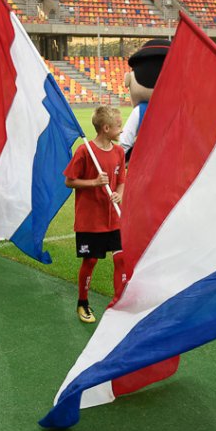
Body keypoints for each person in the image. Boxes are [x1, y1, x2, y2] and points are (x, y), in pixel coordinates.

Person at [63, 105, 126, 323]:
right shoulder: (85, 151)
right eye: (118, 126)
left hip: (114, 218)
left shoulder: (119, 152)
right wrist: (94, 183)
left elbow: (121, 183)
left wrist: (118, 194)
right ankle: (82, 303)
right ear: (106, 128)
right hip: (91, 221)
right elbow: (69, 181)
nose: (122, 129)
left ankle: (120, 302)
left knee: (121, 259)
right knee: (90, 262)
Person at [120, 39, 170, 162]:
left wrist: (124, 160)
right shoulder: (181, 109)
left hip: (147, 168)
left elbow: (125, 143)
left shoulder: (141, 111)